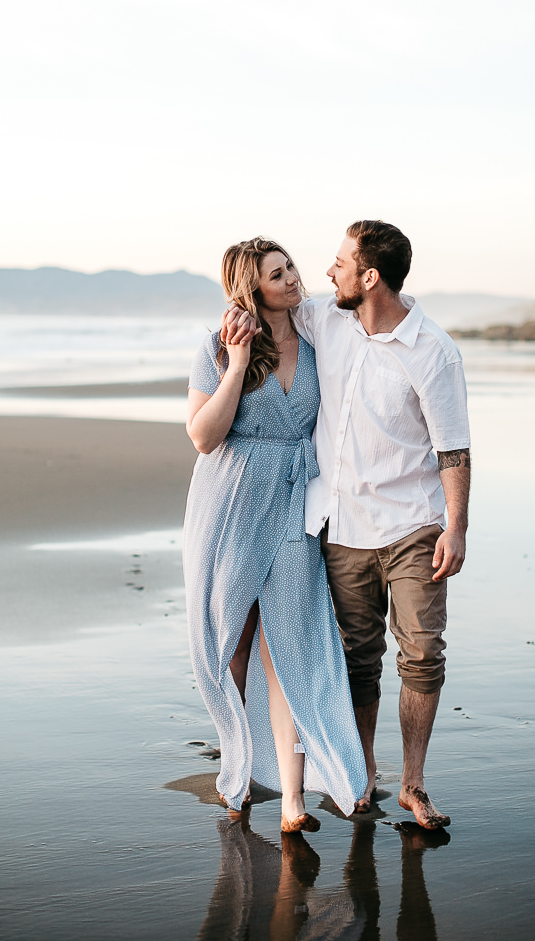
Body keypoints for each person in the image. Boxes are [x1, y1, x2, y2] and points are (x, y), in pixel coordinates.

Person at [223, 220, 470, 830]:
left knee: (421, 657)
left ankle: (412, 784)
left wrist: (457, 527)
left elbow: (453, 449)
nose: (324, 272)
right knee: (359, 659)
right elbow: (265, 300)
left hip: (413, 526)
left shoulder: (433, 351)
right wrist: (234, 330)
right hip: (339, 528)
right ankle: (360, 779)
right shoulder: (324, 319)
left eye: (339, 263)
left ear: (369, 277)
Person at [183, 236, 367, 833]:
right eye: (276, 274)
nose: (293, 279)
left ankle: (292, 800)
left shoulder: (316, 340)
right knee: (230, 645)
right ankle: (234, 777)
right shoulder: (217, 347)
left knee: (288, 651)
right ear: (251, 287)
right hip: (230, 506)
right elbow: (204, 437)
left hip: (293, 505)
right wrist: (237, 365)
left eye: (290, 268)